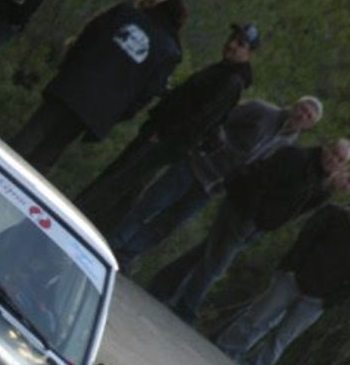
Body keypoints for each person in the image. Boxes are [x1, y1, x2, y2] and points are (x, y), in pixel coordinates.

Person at [76, 23, 258, 229]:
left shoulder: (232, 81)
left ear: (249, 52)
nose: (232, 44)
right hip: (162, 133)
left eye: (240, 43)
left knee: (121, 181)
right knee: (126, 181)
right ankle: (94, 221)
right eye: (232, 38)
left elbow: (203, 119)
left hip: (167, 140)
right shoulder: (221, 71)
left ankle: (81, 219)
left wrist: (164, 134)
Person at [110, 95, 321, 271]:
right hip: (196, 166)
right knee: (150, 205)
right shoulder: (262, 111)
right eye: (302, 109)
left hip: (214, 187)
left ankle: (127, 254)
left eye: (308, 116)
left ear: (311, 125)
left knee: (168, 223)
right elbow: (224, 120)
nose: (302, 116)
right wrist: (217, 144)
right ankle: (114, 243)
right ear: (295, 105)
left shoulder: (289, 145)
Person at [163, 138, 350, 323]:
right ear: (326, 147)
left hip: (259, 225)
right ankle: (187, 305)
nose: (334, 160)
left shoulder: (321, 186)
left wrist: (264, 227)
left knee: (206, 252)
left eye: (340, 159)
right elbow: (261, 180)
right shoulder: (298, 157)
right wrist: (251, 218)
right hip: (243, 210)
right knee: (218, 262)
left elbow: (291, 211)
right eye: (334, 153)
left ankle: (163, 285)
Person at [10, 0, 186, 174]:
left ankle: (2, 165)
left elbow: (88, 35)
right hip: (101, 107)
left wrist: (69, 66)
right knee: (55, 145)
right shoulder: (169, 52)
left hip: (75, 82)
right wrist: (123, 113)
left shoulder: (125, 13)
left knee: (34, 130)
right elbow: (148, 91)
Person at [215, 196, 350, 365]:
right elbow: (306, 238)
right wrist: (290, 269)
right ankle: (226, 349)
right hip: (294, 279)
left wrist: (328, 301)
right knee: (258, 317)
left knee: (282, 338)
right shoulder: (337, 215)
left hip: (317, 299)